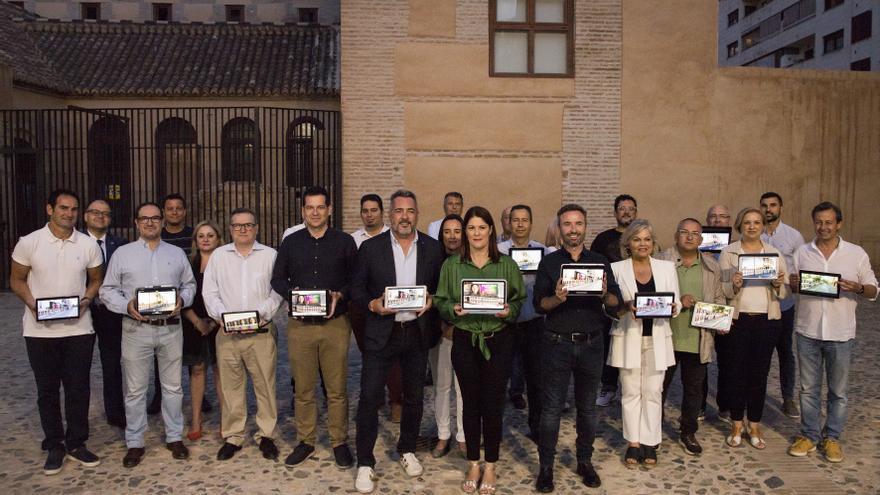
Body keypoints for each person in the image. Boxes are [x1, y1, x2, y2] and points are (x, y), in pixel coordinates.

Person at [351, 190, 444, 493]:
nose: (405, 216)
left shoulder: (432, 248)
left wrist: (432, 300)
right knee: (368, 398)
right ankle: (365, 462)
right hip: (381, 332)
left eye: (410, 211)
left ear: (417, 215)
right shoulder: (369, 248)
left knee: (415, 397)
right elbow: (357, 289)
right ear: (390, 215)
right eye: (399, 211)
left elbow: (441, 289)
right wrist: (373, 305)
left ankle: (406, 449)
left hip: (416, 332)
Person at [10, 189, 104, 475]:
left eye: (74, 209)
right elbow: (16, 279)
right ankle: (54, 443)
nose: (69, 213)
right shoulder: (29, 243)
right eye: (63, 208)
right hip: (40, 331)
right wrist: (32, 304)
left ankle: (76, 442)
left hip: (79, 329)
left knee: (78, 387)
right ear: (50, 209)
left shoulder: (87, 245)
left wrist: (87, 299)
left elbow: (96, 279)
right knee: (47, 389)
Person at [434, 206, 525, 494]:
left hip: (498, 341)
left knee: (493, 405)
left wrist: (509, 310)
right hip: (465, 340)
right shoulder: (452, 265)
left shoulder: (506, 265)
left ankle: (492, 465)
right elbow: (440, 300)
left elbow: (519, 300)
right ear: (465, 233)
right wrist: (453, 309)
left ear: (490, 231)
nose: (476, 233)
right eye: (470, 228)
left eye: (481, 228)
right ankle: (474, 461)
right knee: (470, 405)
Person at [99, 201, 196, 468]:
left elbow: (190, 284)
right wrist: (126, 306)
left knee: (173, 387)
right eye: (145, 218)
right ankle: (135, 442)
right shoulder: (123, 254)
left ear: (163, 221)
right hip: (136, 329)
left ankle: (174, 437)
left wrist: (183, 300)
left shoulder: (176, 253)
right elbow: (107, 291)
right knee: (135, 390)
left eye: (155, 218)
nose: (150, 222)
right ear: (137, 223)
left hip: (170, 328)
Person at [533, 204, 620, 492]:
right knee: (551, 410)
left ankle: (584, 461)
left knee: (587, 411)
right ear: (560, 228)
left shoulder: (600, 261)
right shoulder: (549, 263)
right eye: (567, 224)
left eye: (578, 224)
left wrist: (606, 292)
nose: (573, 229)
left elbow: (615, 304)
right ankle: (546, 467)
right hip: (556, 344)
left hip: (592, 344)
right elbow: (539, 305)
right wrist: (557, 298)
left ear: (585, 227)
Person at [271, 186, 358, 468]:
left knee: (336, 388)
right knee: (304, 388)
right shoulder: (291, 242)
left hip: (335, 324)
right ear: (303, 211)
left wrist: (340, 294)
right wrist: (293, 295)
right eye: (310, 208)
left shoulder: (345, 242)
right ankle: (306, 440)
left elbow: (356, 280)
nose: (315, 212)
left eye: (320, 207)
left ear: (329, 209)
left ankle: (339, 441)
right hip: (300, 326)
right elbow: (277, 279)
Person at [787, 202, 877, 463]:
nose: (823, 227)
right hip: (808, 331)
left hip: (840, 334)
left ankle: (833, 437)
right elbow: (793, 285)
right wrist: (793, 284)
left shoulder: (856, 253)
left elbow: (874, 290)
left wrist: (858, 288)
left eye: (828, 222)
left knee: (838, 392)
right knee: (808, 389)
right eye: (818, 222)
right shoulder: (802, 252)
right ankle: (809, 435)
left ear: (838, 224)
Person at [203, 208, 284, 461]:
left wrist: (261, 314)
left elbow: (277, 291)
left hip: (260, 332)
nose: (243, 229)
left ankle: (266, 434)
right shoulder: (218, 256)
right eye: (237, 226)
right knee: (231, 386)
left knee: (265, 385)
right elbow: (209, 292)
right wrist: (223, 318)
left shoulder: (270, 255)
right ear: (230, 229)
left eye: (248, 225)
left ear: (256, 227)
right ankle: (234, 435)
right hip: (227, 333)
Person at [608, 219, 679, 469]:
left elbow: (676, 303)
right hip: (628, 337)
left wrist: (672, 308)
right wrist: (626, 308)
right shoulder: (616, 268)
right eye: (637, 239)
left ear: (653, 242)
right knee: (629, 392)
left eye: (647, 239)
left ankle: (650, 441)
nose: (643, 244)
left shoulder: (667, 268)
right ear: (628, 243)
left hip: (658, 337)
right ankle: (634, 442)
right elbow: (610, 306)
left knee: (653, 391)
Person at [717, 207, 787, 450]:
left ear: (763, 226)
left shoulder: (774, 253)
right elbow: (722, 290)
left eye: (757, 222)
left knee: (760, 373)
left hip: (767, 320)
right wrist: (733, 284)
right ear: (740, 225)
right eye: (747, 222)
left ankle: (754, 423)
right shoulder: (728, 253)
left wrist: (778, 284)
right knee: (736, 373)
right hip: (739, 319)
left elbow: (785, 291)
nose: (752, 226)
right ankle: (737, 422)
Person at [657, 219, 725, 456]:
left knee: (693, 390)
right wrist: (678, 302)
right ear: (676, 235)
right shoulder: (661, 261)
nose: (689, 237)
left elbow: (718, 298)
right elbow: (651, 295)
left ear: (701, 239)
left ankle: (688, 431)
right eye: (684, 232)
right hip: (666, 335)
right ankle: (653, 431)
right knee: (659, 387)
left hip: (698, 338)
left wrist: (721, 319)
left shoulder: (710, 265)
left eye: (695, 233)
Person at [349, 194, 400, 423]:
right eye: (365, 210)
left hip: (391, 307)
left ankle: (396, 400)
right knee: (370, 354)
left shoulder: (394, 237)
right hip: (363, 307)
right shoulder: (353, 240)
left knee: (394, 357)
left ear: (382, 212)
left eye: (374, 210)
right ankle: (375, 396)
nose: (369, 214)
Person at [497, 205, 548, 431]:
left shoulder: (543, 251)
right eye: (515, 220)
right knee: (498, 380)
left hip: (534, 323)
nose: (519, 224)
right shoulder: (498, 251)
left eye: (524, 220)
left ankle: (536, 427)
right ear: (508, 223)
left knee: (536, 380)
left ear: (530, 223)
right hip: (504, 324)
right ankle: (494, 429)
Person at [148, 193, 196, 415]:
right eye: (170, 208)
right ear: (164, 213)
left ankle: (198, 393)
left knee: (193, 350)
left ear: (184, 211)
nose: (174, 212)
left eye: (178, 208)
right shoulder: (159, 236)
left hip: (190, 299)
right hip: (163, 303)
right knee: (162, 352)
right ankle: (159, 393)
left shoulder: (192, 235)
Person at [82, 199, 128, 429]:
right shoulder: (75, 242)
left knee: (112, 363)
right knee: (79, 365)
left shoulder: (120, 245)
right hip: (82, 312)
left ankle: (115, 411)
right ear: (85, 216)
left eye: (105, 213)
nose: (100, 216)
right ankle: (79, 417)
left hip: (110, 313)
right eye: (95, 212)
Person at [759, 192, 805, 419]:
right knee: (760, 353)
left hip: (784, 303)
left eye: (773, 205)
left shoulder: (794, 237)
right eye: (765, 206)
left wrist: (793, 282)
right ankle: (755, 396)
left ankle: (788, 398)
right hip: (759, 304)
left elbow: (800, 270)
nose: (769, 209)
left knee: (785, 352)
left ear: (781, 208)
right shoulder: (754, 232)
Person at [591, 194, 638, 407]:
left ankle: (633, 388)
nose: (626, 212)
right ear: (615, 212)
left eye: (630, 208)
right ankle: (608, 387)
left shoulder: (642, 237)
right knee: (610, 346)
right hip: (609, 302)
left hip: (637, 300)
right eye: (622, 208)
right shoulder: (602, 239)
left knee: (635, 345)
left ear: (636, 212)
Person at [180, 220, 224, 441]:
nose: (205, 239)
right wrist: (197, 322)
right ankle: (196, 419)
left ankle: (227, 420)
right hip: (193, 323)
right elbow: (182, 295)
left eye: (210, 235)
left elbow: (229, 294)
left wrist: (214, 322)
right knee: (196, 371)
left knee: (220, 371)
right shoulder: (187, 264)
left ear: (218, 239)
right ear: (195, 240)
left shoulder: (225, 263)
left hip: (219, 324)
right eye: (201, 236)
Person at [429, 214, 466, 458]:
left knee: (464, 387)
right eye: (447, 231)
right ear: (441, 234)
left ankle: (464, 436)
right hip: (438, 332)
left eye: (457, 231)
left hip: (466, 332)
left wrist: (459, 325)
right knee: (441, 386)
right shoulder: (432, 260)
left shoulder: (471, 261)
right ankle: (443, 434)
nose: (452, 236)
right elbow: (430, 295)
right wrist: (444, 325)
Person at [703, 203, 732, 422]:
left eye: (722, 217)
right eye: (713, 217)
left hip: (727, 307)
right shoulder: (698, 244)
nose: (717, 221)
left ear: (729, 220)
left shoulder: (735, 249)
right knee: (700, 359)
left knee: (726, 360)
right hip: (703, 308)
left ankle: (724, 404)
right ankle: (699, 405)